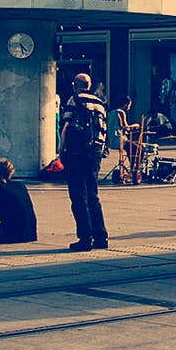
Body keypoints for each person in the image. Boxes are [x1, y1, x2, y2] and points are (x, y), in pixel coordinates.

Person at [59, 71, 111, 251]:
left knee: (78, 196)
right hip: (94, 153)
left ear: (75, 85)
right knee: (93, 195)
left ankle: (85, 238)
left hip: (77, 152)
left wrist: (61, 150)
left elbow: (66, 126)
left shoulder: (75, 100)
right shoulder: (100, 104)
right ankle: (101, 236)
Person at [115, 92, 145, 184]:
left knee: (131, 149)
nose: (129, 107)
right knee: (140, 148)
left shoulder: (111, 112)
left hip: (112, 140)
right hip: (120, 139)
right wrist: (136, 125)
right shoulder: (121, 112)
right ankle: (135, 169)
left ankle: (132, 168)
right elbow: (126, 127)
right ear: (125, 104)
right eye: (129, 105)